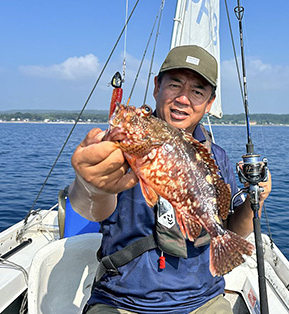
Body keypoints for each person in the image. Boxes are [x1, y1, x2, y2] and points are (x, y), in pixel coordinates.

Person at [68, 45, 272, 314]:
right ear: (157, 87)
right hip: (122, 301)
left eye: (197, 91)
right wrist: (89, 185)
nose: (183, 99)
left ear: (209, 103)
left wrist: (256, 199)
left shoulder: (215, 158)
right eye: (175, 85)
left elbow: (229, 229)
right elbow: (90, 208)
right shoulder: (119, 150)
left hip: (203, 300)